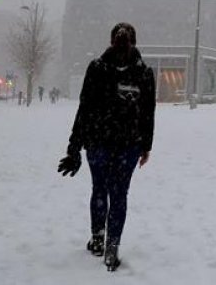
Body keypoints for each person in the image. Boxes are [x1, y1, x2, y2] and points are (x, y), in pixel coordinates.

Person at [57, 22, 156, 272]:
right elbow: (147, 113)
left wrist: (74, 147)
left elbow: (85, 109)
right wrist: (146, 146)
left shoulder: (97, 68)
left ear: (111, 40)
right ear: (135, 42)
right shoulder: (144, 72)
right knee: (119, 193)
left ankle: (98, 237)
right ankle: (112, 247)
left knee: (100, 189)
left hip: (98, 142)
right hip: (129, 144)